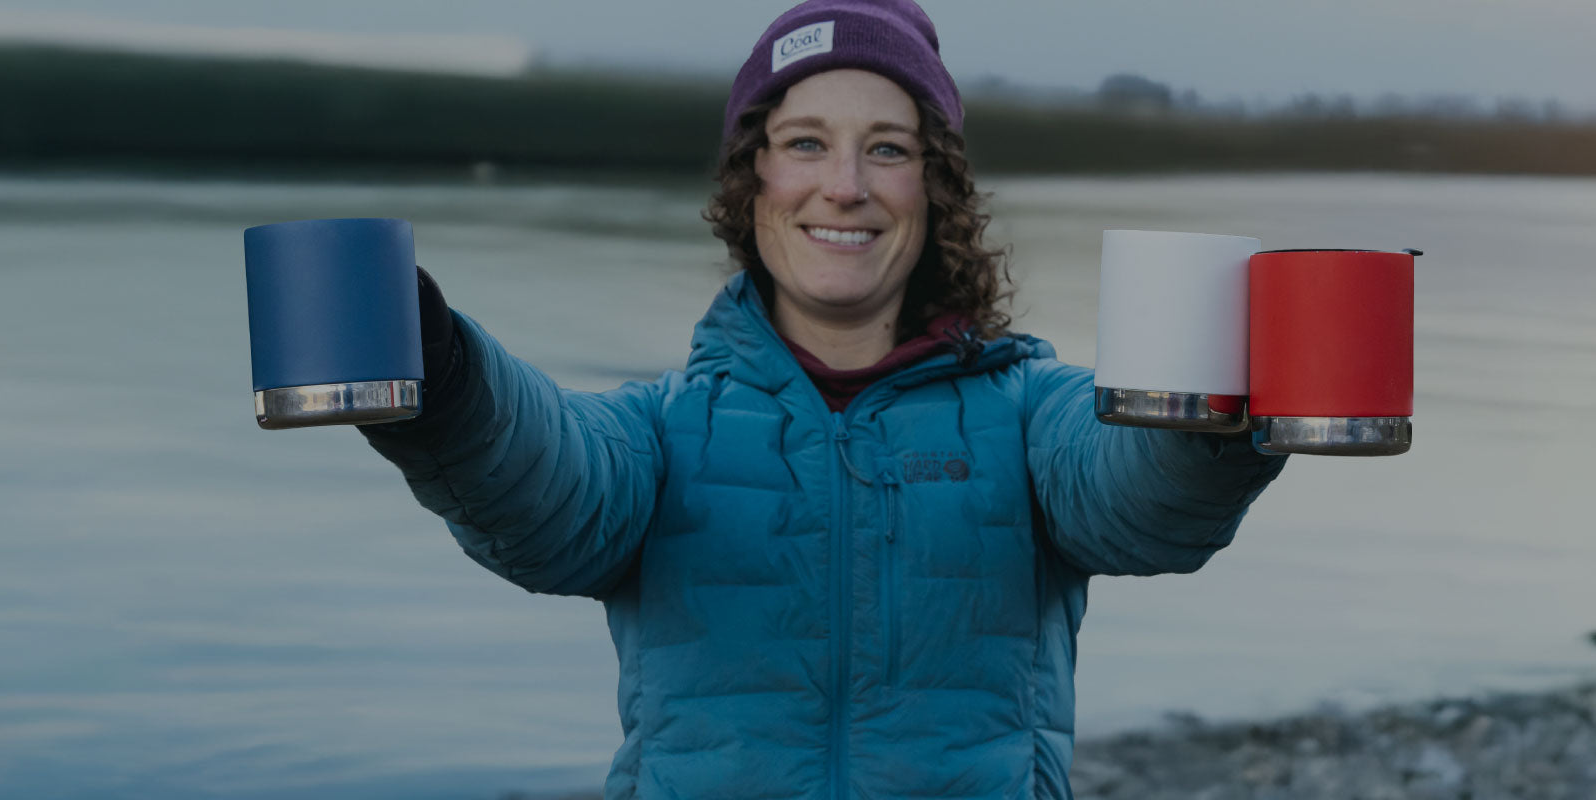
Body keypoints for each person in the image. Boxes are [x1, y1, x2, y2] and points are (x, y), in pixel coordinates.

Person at [359, 0, 1287, 797]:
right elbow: (544, 485)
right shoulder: (661, 430)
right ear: (752, 176)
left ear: (935, 187)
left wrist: (1220, 402)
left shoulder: (1031, 414)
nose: (844, 188)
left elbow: (1141, 503)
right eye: (805, 143)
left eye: (887, 149)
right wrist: (446, 376)